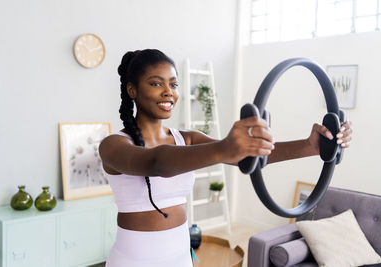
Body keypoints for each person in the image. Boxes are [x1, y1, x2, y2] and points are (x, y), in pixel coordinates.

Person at [99, 49, 353, 267]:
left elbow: (249, 156)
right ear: (132, 89)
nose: (168, 92)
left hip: (179, 258)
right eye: (156, 83)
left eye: (174, 84)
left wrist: (309, 146)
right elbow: (157, 163)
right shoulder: (114, 145)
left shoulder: (187, 139)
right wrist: (223, 149)